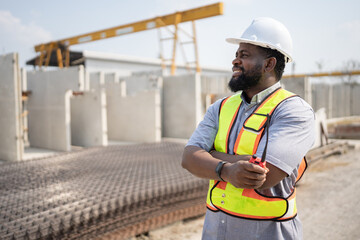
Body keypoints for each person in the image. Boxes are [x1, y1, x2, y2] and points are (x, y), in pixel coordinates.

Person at [182, 17, 315, 240]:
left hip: (269, 233)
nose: (235, 61)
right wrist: (227, 170)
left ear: (269, 64)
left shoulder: (293, 110)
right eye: (236, 55)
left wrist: (211, 156)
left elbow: (264, 175)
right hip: (216, 232)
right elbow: (188, 158)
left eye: (244, 55)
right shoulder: (221, 107)